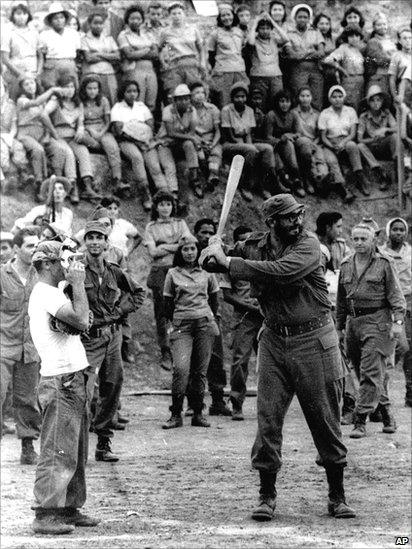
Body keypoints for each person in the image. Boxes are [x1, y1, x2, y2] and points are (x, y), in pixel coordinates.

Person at [200, 194, 355, 521]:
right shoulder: (256, 245)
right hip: (273, 341)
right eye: (288, 218)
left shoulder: (309, 246)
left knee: (325, 419)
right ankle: (266, 495)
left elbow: (281, 272)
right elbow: (214, 263)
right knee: (268, 419)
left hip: (314, 340)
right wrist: (213, 251)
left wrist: (227, 261)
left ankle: (337, 494)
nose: (297, 223)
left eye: (299, 216)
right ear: (271, 222)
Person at [28, 239, 98, 535]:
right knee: (57, 448)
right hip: (61, 381)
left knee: (75, 449)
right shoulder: (45, 294)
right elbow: (83, 321)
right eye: (62, 261)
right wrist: (79, 286)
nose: (69, 266)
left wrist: (75, 289)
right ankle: (46, 512)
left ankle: (69, 507)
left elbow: (84, 320)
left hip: (72, 377)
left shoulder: (54, 292)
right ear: (47, 264)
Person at [81, 220, 145, 462]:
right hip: (88, 338)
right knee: (83, 389)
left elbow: (138, 292)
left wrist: (120, 311)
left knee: (112, 386)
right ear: (85, 242)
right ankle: (78, 447)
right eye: (90, 237)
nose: (95, 241)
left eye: (100, 237)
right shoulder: (76, 271)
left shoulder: (115, 271)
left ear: (107, 243)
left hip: (113, 336)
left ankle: (103, 444)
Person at [336, 223, 406, 439]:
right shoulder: (346, 264)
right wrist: (339, 327)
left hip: (378, 323)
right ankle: (386, 413)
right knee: (366, 373)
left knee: (370, 372)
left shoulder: (384, 263)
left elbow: (396, 295)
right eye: (355, 239)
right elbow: (341, 299)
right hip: (353, 325)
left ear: (373, 240)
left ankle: (359, 420)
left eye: (363, 239)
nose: (358, 243)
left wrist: (398, 322)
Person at [162, 234, 219, 429]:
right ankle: (176, 414)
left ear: (198, 251)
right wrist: (173, 324)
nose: (189, 253)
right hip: (181, 326)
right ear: (180, 252)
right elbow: (167, 303)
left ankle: (198, 413)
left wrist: (209, 317)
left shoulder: (207, 272)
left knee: (200, 371)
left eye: (192, 249)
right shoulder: (172, 273)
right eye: (185, 249)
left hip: (204, 324)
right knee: (181, 369)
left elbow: (214, 299)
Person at [0, 227, 42, 465]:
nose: (35, 250)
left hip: (30, 347)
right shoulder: (2, 274)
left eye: (37, 245)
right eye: (29, 246)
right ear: (16, 249)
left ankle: (28, 446)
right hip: (3, 345)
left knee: (27, 398)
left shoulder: (43, 275)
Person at [144, 190, 191, 371]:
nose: (165, 208)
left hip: (179, 270)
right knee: (162, 312)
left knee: (182, 307)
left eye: (168, 204)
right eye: (162, 204)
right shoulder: (151, 227)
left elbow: (187, 244)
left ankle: (183, 348)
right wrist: (175, 246)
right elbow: (153, 252)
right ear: (156, 207)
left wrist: (163, 245)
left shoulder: (180, 223)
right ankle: (165, 351)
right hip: (160, 271)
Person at [111, 79, 176, 210]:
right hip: (127, 141)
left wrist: (145, 139)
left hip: (145, 140)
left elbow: (150, 124)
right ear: (123, 93)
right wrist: (137, 141)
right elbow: (119, 130)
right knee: (137, 158)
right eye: (128, 91)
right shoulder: (117, 108)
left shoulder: (141, 106)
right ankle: (145, 194)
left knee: (154, 166)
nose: (132, 94)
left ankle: (165, 197)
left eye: (135, 91)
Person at [221, 225, 263, 420]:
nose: (247, 246)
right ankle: (236, 403)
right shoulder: (229, 265)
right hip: (244, 318)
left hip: (265, 317)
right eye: (242, 241)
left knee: (269, 363)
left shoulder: (262, 261)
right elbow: (227, 295)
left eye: (250, 241)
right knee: (240, 361)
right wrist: (248, 306)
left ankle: (269, 404)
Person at [191, 219, 232, 417]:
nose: (206, 236)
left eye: (210, 233)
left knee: (216, 358)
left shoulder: (219, 253)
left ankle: (218, 400)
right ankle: (193, 402)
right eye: (203, 232)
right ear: (196, 234)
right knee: (193, 359)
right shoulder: (188, 253)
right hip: (191, 314)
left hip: (211, 313)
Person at [42, 73, 101, 204]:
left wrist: (80, 128)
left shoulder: (77, 103)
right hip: (57, 137)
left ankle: (87, 187)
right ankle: (72, 187)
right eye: (66, 87)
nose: (70, 90)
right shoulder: (55, 101)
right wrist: (52, 131)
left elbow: (80, 120)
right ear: (60, 88)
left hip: (73, 137)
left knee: (83, 152)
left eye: (72, 87)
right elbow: (44, 114)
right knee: (68, 153)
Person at [221, 82, 278, 202]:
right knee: (251, 149)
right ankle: (245, 185)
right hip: (230, 144)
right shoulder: (226, 110)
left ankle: (263, 185)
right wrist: (249, 147)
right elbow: (229, 135)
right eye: (237, 97)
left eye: (243, 97)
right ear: (232, 98)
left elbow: (248, 134)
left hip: (245, 143)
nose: (240, 99)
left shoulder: (249, 111)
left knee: (267, 148)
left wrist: (251, 145)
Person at [16, 76, 67, 202]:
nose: (30, 86)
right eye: (26, 84)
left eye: (32, 83)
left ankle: (57, 184)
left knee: (59, 149)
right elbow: (36, 102)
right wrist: (52, 90)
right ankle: (40, 185)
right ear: (22, 88)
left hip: (41, 135)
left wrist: (46, 136)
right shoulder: (21, 100)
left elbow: (45, 121)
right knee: (38, 150)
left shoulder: (43, 102)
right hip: (26, 134)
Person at [78, 75, 129, 196]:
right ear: (84, 89)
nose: (92, 91)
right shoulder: (81, 102)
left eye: (95, 88)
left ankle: (118, 180)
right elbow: (80, 121)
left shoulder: (103, 100)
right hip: (87, 129)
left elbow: (108, 122)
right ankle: (99, 148)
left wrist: (101, 133)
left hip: (102, 129)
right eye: (89, 88)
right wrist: (90, 130)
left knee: (112, 147)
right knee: (82, 138)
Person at [381, 218, 411, 408]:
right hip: (390, 306)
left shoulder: (410, 252)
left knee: (410, 351)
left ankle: (410, 393)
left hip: (410, 303)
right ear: (388, 231)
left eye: (402, 230)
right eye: (395, 229)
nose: (398, 233)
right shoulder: (382, 253)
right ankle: (381, 394)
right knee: (395, 348)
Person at [318, 85, 368, 198]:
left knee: (352, 145)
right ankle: (344, 189)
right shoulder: (325, 113)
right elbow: (323, 137)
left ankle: (360, 178)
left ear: (344, 97)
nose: (337, 99)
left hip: (345, 140)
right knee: (331, 160)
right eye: (334, 97)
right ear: (330, 99)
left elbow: (353, 133)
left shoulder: (350, 111)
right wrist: (331, 145)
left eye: (340, 96)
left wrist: (343, 143)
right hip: (329, 143)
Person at [160, 83, 202, 198]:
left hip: (180, 143)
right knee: (170, 167)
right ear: (175, 100)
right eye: (180, 99)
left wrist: (191, 137)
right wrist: (192, 137)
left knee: (189, 144)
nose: (183, 102)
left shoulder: (192, 110)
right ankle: (173, 194)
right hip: (166, 143)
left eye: (186, 99)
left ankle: (195, 180)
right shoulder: (168, 110)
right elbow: (170, 133)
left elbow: (192, 132)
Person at [159, 2, 206, 99]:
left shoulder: (193, 30)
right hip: (175, 66)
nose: (177, 16)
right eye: (174, 14)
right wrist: (163, 63)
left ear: (184, 14)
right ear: (169, 16)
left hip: (191, 64)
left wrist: (202, 63)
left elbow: (201, 49)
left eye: (179, 13)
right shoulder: (166, 32)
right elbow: (160, 49)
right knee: (175, 94)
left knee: (194, 94)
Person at [265, 89, 306, 197]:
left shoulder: (293, 114)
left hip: (287, 143)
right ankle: (283, 183)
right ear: (277, 102)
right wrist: (279, 139)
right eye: (282, 101)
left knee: (289, 145)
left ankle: (297, 179)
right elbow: (267, 136)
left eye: (287, 101)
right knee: (279, 156)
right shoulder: (271, 115)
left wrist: (289, 136)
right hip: (273, 143)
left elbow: (298, 132)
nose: (284, 104)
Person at [244, 12, 289, 113]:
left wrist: (272, 21)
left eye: (267, 28)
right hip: (258, 76)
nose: (265, 31)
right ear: (257, 30)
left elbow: (286, 38)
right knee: (260, 105)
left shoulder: (274, 39)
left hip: (275, 76)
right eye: (262, 28)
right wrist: (255, 22)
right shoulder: (254, 39)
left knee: (277, 103)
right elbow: (250, 42)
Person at [118, 4, 159, 113]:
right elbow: (129, 55)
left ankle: (149, 127)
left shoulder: (148, 34)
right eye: (132, 18)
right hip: (135, 70)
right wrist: (146, 49)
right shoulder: (123, 35)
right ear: (127, 20)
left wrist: (137, 51)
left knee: (151, 101)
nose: (135, 21)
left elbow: (155, 53)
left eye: (138, 18)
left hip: (150, 71)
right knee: (137, 101)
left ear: (142, 20)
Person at [284, 4, 325, 111]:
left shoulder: (315, 31)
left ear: (309, 18)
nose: (302, 19)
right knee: (299, 98)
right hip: (298, 70)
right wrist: (311, 52)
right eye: (300, 17)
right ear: (295, 18)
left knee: (316, 98)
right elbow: (292, 55)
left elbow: (321, 52)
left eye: (305, 17)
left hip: (315, 70)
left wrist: (302, 54)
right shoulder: (289, 33)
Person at [357, 85, 396, 191]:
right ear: (368, 103)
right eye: (372, 100)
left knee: (394, 137)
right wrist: (372, 139)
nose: (376, 103)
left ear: (382, 101)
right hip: (372, 147)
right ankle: (380, 172)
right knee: (360, 146)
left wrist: (386, 130)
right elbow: (359, 139)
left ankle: (398, 163)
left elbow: (397, 128)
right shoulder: (363, 117)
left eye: (378, 100)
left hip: (385, 147)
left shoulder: (387, 113)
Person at [208, 3, 247, 109]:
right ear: (219, 18)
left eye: (228, 14)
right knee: (225, 103)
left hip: (239, 70)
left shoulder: (239, 32)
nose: (226, 18)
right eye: (223, 15)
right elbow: (211, 54)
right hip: (223, 72)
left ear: (233, 16)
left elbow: (242, 50)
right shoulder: (215, 34)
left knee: (240, 101)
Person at [0, 3, 42, 100]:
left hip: (33, 71)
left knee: (34, 100)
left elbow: (40, 55)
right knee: (16, 100)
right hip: (15, 72)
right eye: (18, 14)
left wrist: (38, 71)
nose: (22, 17)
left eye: (24, 14)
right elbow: (5, 58)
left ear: (28, 15)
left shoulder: (34, 32)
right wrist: (21, 74)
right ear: (13, 15)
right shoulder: (8, 33)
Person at [80, 10, 120, 106]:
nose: (98, 26)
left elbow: (117, 56)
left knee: (112, 99)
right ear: (90, 24)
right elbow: (89, 58)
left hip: (109, 73)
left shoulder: (108, 38)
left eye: (101, 23)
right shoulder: (84, 39)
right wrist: (109, 56)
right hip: (92, 73)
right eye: (95, 23)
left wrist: (99, 54)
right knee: (94, 100)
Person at [39, 2, 81, 90]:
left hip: (69, 65)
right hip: (51, 67)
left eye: (61, 17)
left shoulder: (73, 33)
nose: (59, 20)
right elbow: (42, 55)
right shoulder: (44, 35)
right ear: (50, 21)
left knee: (71, 91)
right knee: (52, 90)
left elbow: (78, 52)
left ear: (65, 19)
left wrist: (73, 65)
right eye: (55, 18)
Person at [323, 24, 365, 111]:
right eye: (351, 36)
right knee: (349, 105)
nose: (354, 38)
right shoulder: (343, 48)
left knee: (359, 105)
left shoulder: (358, 50)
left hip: (360, 80)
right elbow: (328, 60)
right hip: (349, 80)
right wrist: (340, 69)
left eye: (357, 36)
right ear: (347, 37)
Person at [190, 81, 222, 192]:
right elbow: (189, 132)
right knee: (200, 155)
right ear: (191, 96)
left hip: (211, 139)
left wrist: (213, 144)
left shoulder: (212, 109)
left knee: (216, 152)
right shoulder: (188, 110)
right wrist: (198, 141)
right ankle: (204, 177)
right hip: (196, 139)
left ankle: (213, 176)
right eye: (196, 93)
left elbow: (218, 131)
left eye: (202, 92)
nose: (200, 95)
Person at [0, 76, 29, 190]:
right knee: (2, 151)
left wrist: (10, 137)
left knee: (18, 147)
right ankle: (7, 179)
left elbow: (13, 127)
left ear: (5, 90)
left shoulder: (11, 105)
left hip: (8, 135)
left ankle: (23, 173)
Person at [364, 13, 396, 96]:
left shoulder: (391, 41)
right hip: (379, 77)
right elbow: (380, 60)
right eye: (379, 25)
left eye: (384, 24)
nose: (382, 27)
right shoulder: (372, 42)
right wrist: (396, 59)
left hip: (391, 77)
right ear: (374, 27)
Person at [313, 13, 337, 108]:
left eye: (327, 24)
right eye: (321, 24)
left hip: (332, 73)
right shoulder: (313, 38)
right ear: (316, 25)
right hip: (319, 72)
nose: (324, 26)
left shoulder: (332, 38)